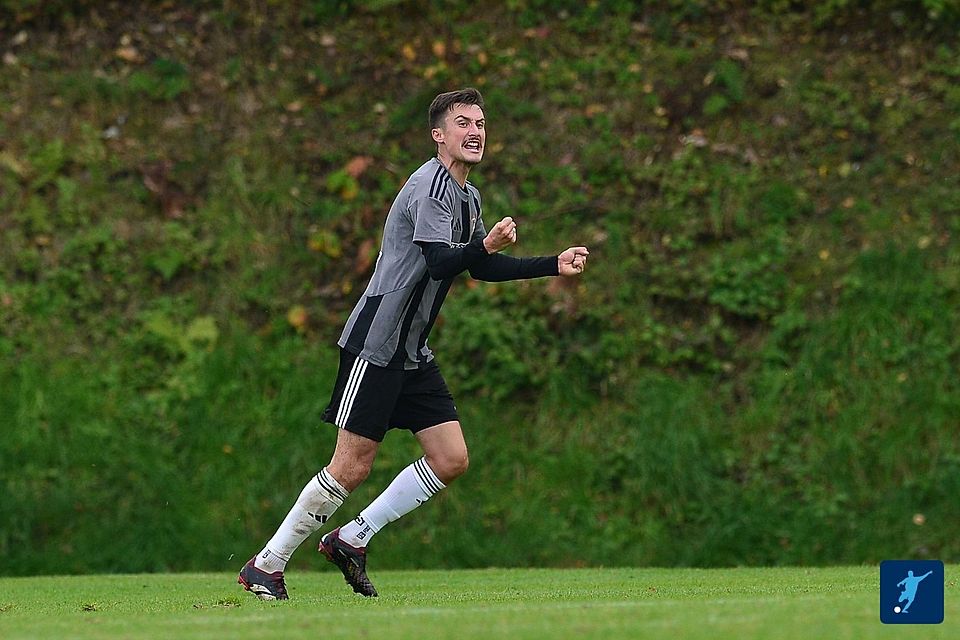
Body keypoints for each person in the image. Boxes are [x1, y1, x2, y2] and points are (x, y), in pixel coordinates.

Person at [238, 87, 589, 599]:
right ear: (439, 135)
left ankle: (352, 539)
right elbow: (439, 261)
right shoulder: (428, 186)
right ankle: (266, 565)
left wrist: (549, 264)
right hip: (377, 344)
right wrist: (483, 243)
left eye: (481, 124)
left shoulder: (467, 196)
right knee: (351, 466)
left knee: (451, 458)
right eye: (463, 123)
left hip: (411, 352)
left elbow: (479, 267)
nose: (475, 132)